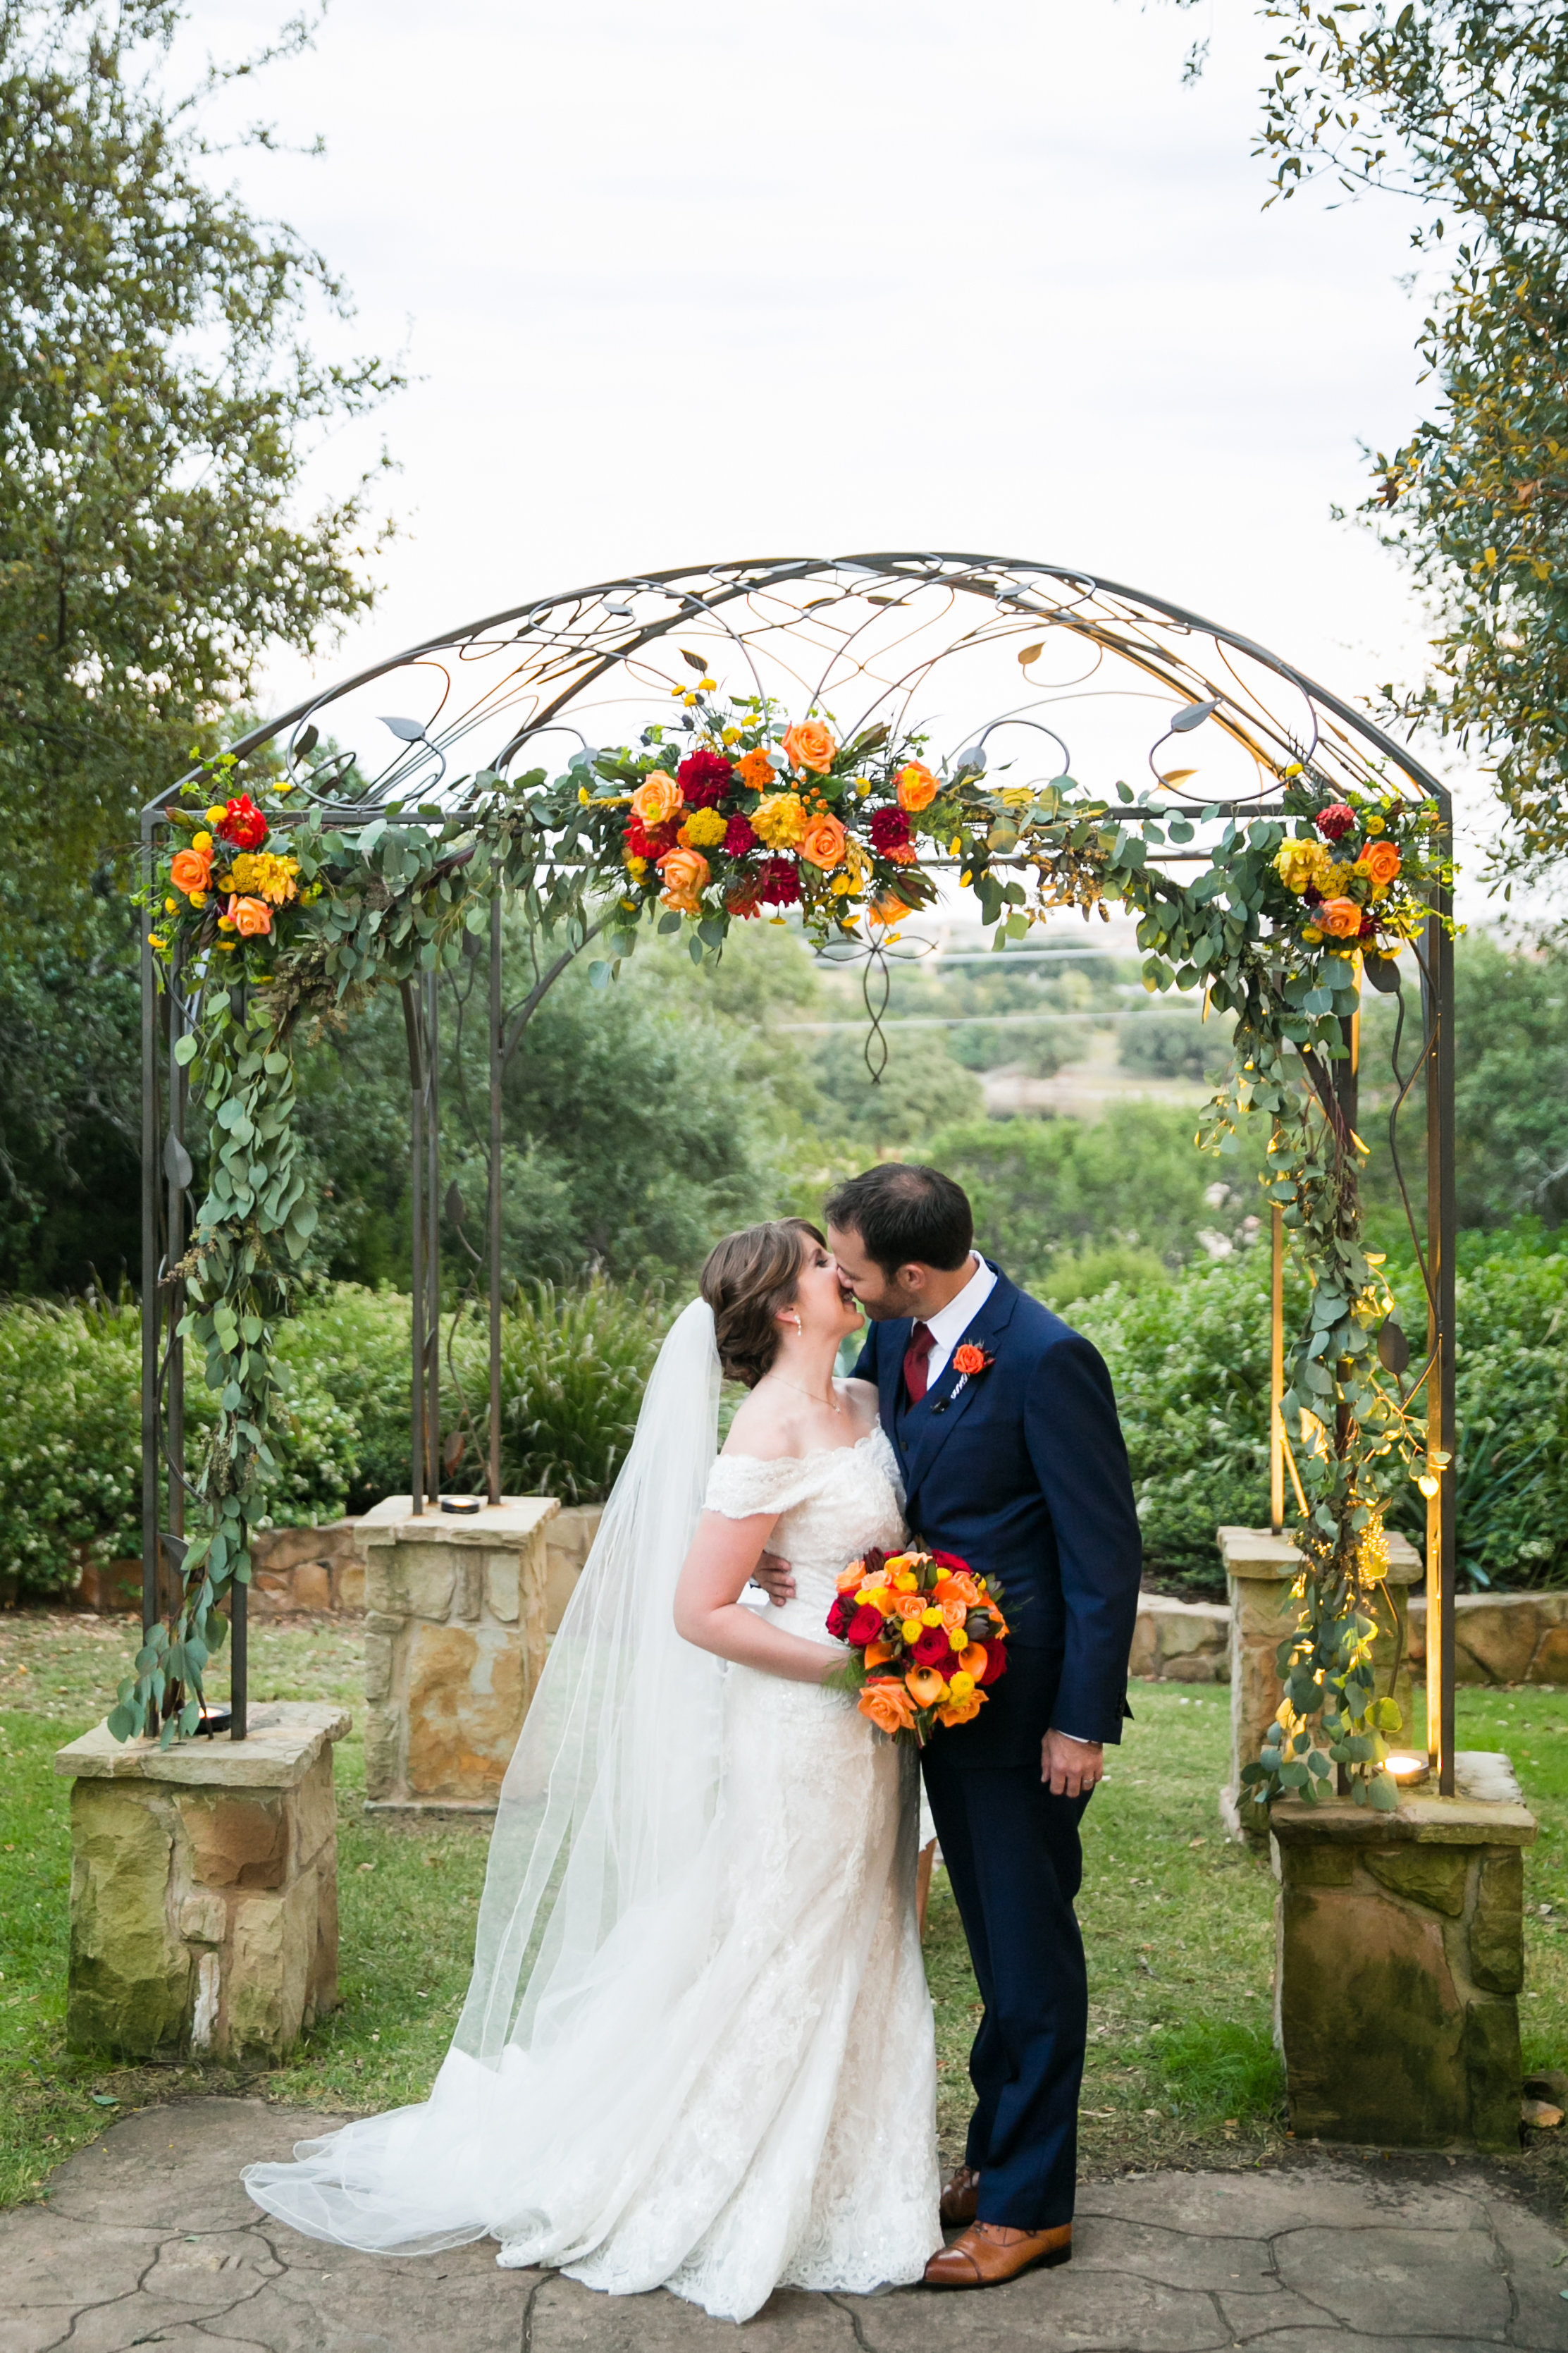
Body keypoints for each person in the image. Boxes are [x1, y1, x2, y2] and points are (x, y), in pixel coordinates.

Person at [242, 1219, 941, 2321]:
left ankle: (842, 2171)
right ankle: (707, 2172)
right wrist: (843, 1667)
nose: (839, 1271)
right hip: (807, 1721)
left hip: (879, 1720)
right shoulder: (760, 1432)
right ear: (781, 1306)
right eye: (818, 1262)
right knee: (778, 1932)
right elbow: (697, 1610)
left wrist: (912, 1634)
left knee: (864, 1923)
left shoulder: (862, 1400)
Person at [755, 1165, 1142, 2290]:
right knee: (988, 1941)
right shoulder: (895, 1346)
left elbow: (1100, 1554)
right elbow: (887, 1491)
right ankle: (994, 2151)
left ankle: (1029, 2206)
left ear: (912, 1272)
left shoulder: (1044, 1356)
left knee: (1027, 1955)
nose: (844, 1282)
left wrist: (1079, 1722)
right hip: (922, 1698)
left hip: (1022, 1718)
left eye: (855, 1269)